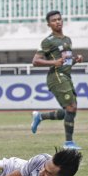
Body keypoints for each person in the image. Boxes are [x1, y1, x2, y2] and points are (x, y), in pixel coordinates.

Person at [31, 10, 84, 150]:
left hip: (66, 76)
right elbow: (35, 61)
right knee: (71, 107)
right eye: (54, 20)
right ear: (49, 24)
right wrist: (53, 63)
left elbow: (65, 62)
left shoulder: (67, 40)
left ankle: (40, 117)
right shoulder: (48, 41)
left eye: (59, 19)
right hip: (56, 77)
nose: (57, 22)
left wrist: (75, 60)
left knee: (69, 111)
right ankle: (68, 143)